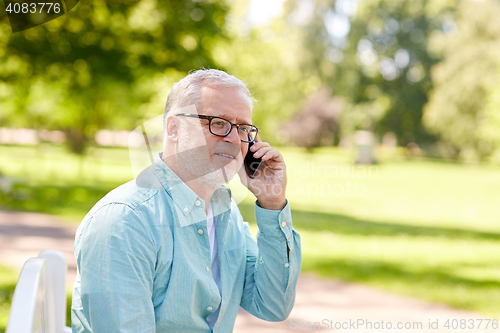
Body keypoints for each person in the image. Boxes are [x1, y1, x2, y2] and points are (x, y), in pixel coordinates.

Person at [71, 69, 302, 333]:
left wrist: (272, 203)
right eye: (217, 123)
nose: (233, 139)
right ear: (174, 128)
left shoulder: (226, 213)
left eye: (243, 128)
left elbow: (271, 305)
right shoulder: (125, 221)